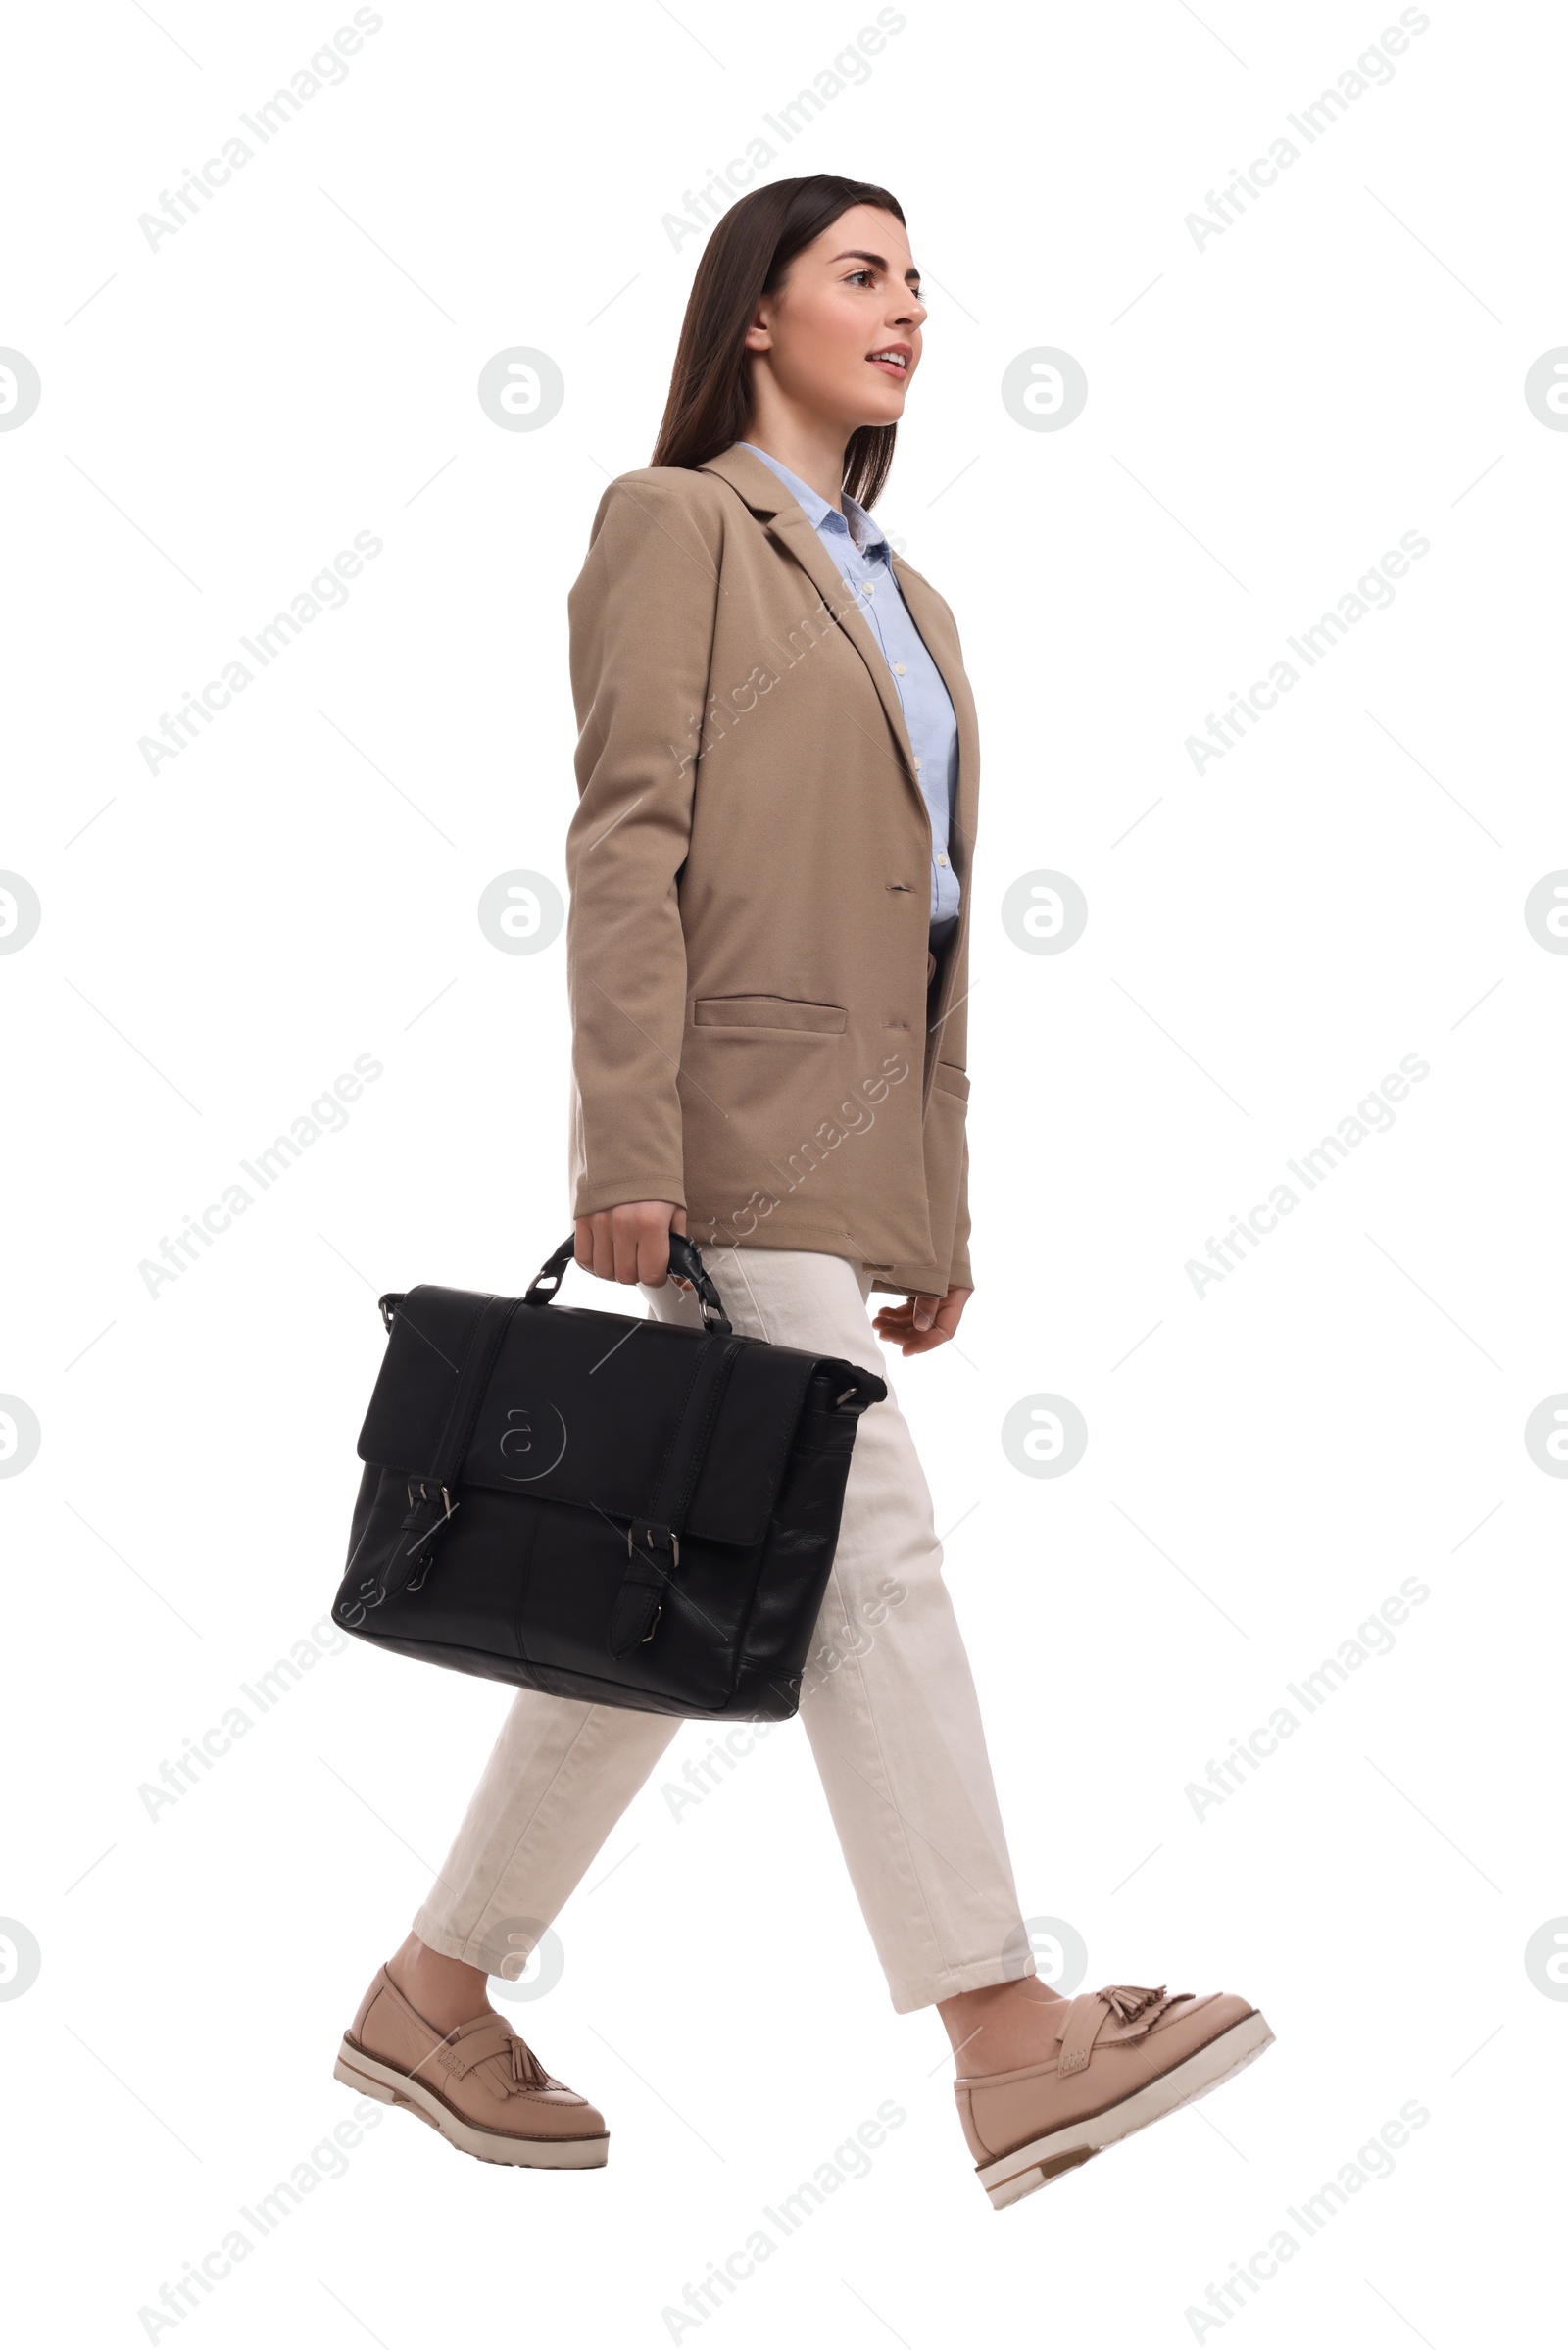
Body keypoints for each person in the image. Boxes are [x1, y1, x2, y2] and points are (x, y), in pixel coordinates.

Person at [334, 174, 1272, 2208]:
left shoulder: (905, 594)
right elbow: (624, 847)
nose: (908, 307)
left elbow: (920, 928)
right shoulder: (677, 524)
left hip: (842, 1167)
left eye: (922, 279)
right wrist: (626, 1153)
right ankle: (1004, 2029)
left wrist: (922, 1219)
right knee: (868, 1530)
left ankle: (430, 1989)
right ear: (751, 315)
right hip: (718, 1129)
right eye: (862, 272)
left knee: (690, 1566)